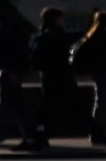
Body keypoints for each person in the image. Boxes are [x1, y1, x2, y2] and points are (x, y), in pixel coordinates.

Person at [26, 9, 73, 153]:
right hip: (60, 74)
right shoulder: (56, 34)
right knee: (74, 105)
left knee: (46, 108)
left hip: (48, 75)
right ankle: (97, 134)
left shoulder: (40, 35)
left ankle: (39, 136)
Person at [0, 1, 34, 151]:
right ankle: (28, 136)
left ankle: (25, 136)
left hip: (8, 71)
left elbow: (6, 52)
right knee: (15, 105)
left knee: (11, 105)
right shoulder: (12, 24)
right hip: (10, 71)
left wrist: (10, 70)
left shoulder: (3, 26)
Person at [73, 10, 106, 148]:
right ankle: (97, 134)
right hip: (104, 73)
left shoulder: (92, 36)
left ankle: (97, 133)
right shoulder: (102, 37)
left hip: (100, 73)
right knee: (104, 104)